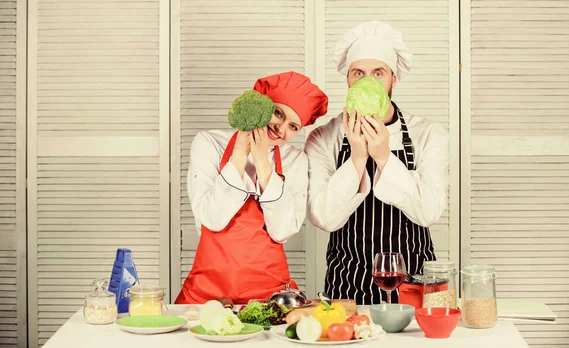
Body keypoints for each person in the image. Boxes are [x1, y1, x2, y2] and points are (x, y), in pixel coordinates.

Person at [304, 21, 449, 305]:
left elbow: (429, 212)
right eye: (359, 73)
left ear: (394, 79)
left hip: (413, 285)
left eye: (378, 73)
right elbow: (324, 217)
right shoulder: (323, 137)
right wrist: (358, 158)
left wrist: (383, 156)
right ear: (348, 79)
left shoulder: (427, 133)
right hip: (347, 285)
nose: (367, 82)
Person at [176, 71, 328, 304]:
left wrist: (263, 164)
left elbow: (282, 231)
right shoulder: (209, 143)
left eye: (293, 126)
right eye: (278, 113)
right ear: (262, 104)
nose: (280, 128)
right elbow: (213, 219)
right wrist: (240, 153)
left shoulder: (295, 160)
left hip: (271, 297)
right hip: (206, 296)